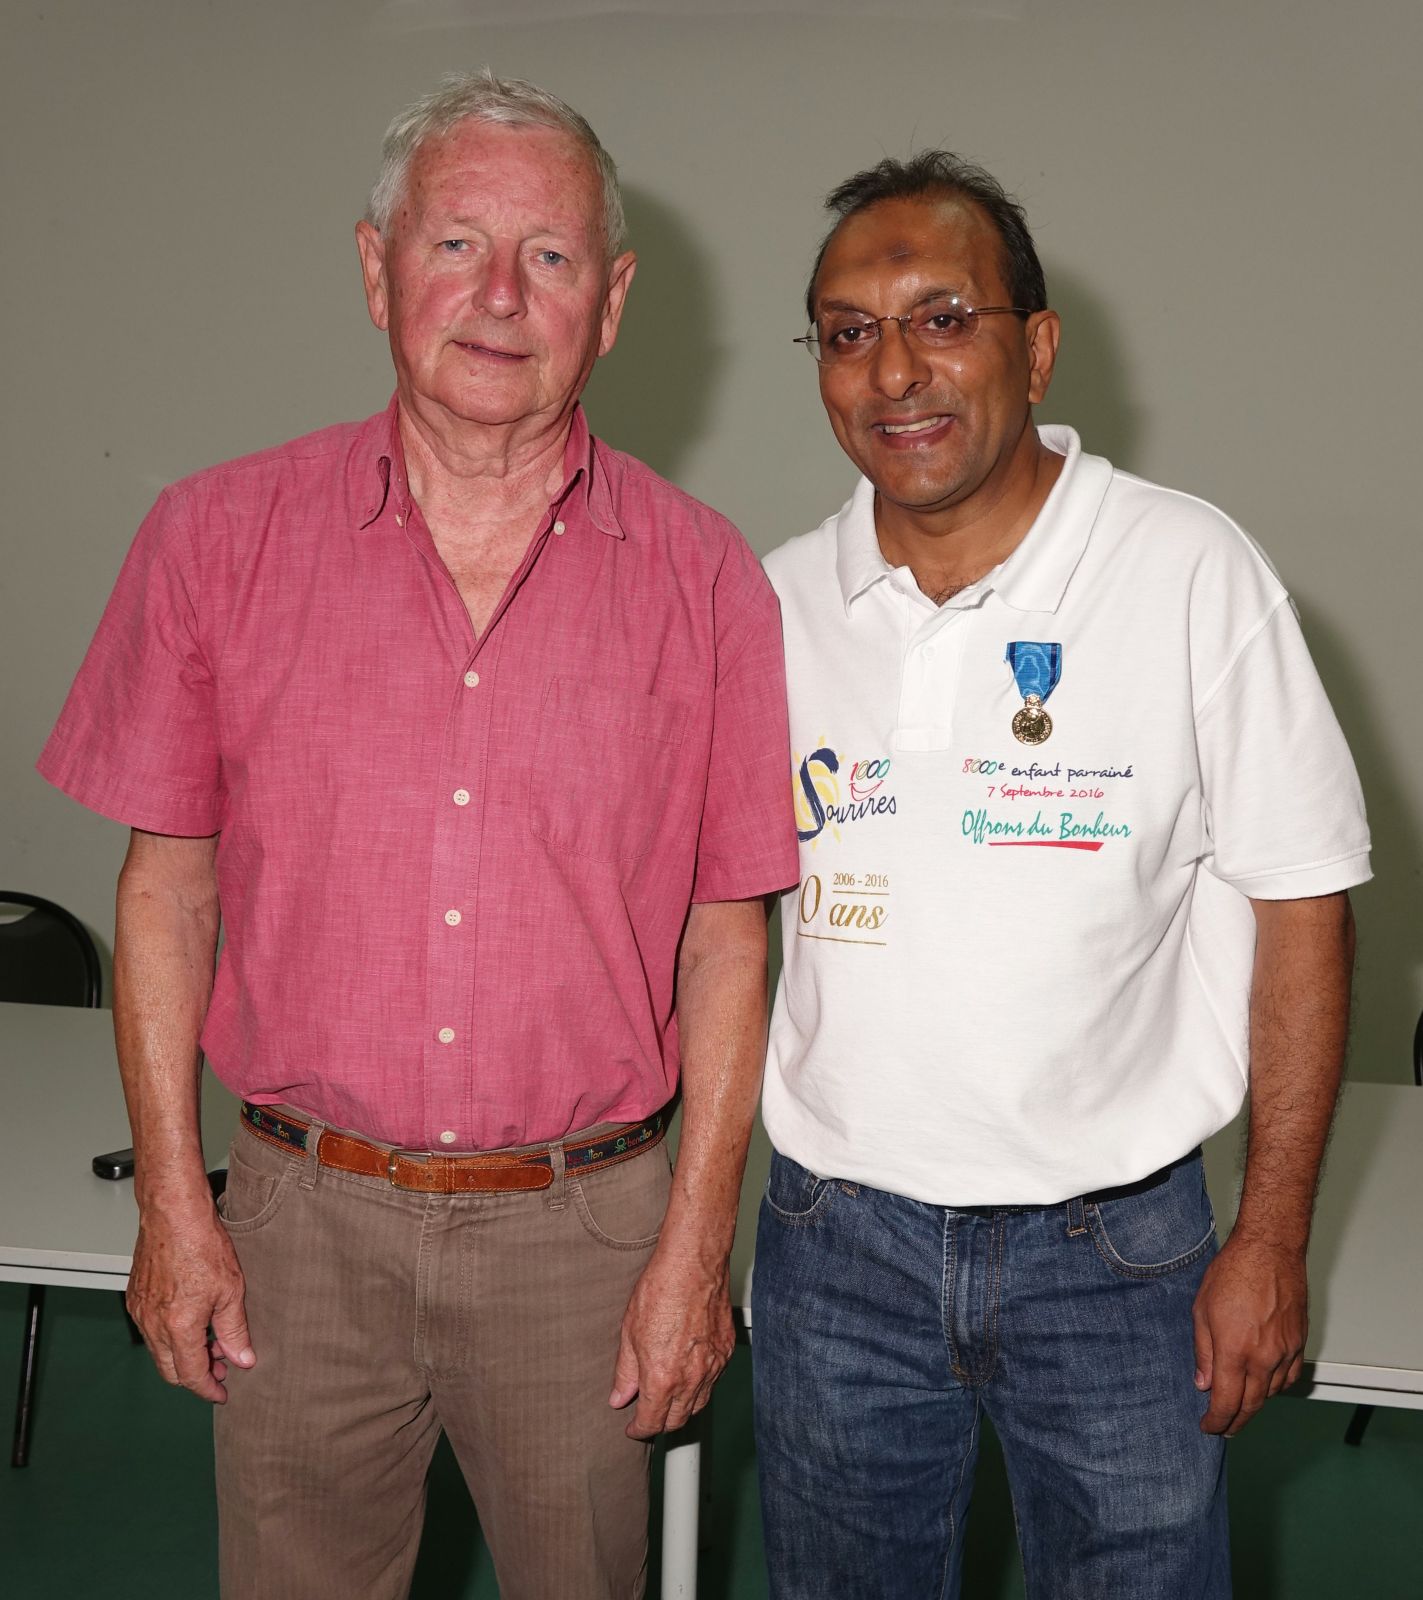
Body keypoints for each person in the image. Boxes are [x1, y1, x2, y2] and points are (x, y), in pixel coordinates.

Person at [39, 70, 797, 1600]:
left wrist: (693, 1249)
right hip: (298, 1226)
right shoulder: (211, 541)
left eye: (553, 256)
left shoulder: (709, 581)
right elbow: (165, 897)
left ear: (616, 297)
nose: (502, 295)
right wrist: (180, 1212)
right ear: (377, 267)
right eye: (455, 245)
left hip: (586, 1236)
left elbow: (729, 936)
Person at [753, 150, 1369, 1599]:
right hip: (836, 1245)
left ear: (1034, 346)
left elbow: (1304, 908)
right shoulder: (771, 607)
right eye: (848, 331)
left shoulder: (1190, 572)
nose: (894, 370)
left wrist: (1272, 1238)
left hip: (1120, 1253)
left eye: (942, 317)